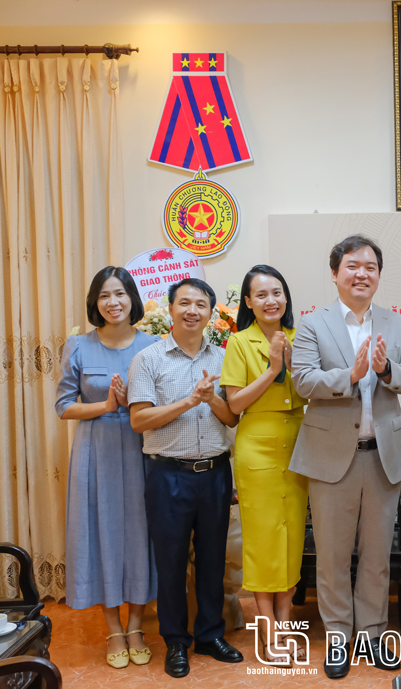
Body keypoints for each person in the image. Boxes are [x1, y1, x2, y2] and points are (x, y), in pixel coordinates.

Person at [289, 235, 401, 680]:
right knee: (332, 555)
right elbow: (303, 382)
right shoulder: (312, 324)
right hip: (330, 457)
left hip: (382, 455)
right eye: (352, 265)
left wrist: (384, 370)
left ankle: (374, 634)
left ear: (378, 276)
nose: (361, 273)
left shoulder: (396, 324)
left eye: (370, 267)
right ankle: (340, 636)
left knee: (378, 554)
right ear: (335, 273)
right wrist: (351, 374)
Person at [128, 278, 243, 678]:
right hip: (168, 474)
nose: (192, 310)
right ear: (172, 310)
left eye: (200, 304)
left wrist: (212, 400)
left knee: (214, 560)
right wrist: (189, 401)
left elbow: (232, 418)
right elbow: (139, 419)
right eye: (184, 303)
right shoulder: (149, 358)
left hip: (214, 472)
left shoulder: (226, 357)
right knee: (171, 561)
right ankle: (176, 642)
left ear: (211, 313)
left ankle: (211, 635)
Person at [55, 267, 157, 669]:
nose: (113, 302)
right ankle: (113, 627)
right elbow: (64, 407)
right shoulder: (78, 346)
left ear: (132, 298)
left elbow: (161, 403)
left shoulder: (153, 346)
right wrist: (107, 406)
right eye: (104, 296)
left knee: (140, 534)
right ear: (95, 303)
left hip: (142, 450)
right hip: (95, 452)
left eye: (119, 294)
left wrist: (137, 404)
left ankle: (136, 624)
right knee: (100, 534)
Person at [220, 265, 308, 663]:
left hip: (301, 446)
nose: (271, 300)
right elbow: (234, 405)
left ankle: (286, 623)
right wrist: (274, 368)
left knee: (291, 537)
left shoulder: (302, 337)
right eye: (262, 294)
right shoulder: (239, 342)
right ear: (248, 302)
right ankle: (269, 631)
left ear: (286, 298)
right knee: (263, 540)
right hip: (257, 447)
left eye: (278, 292)